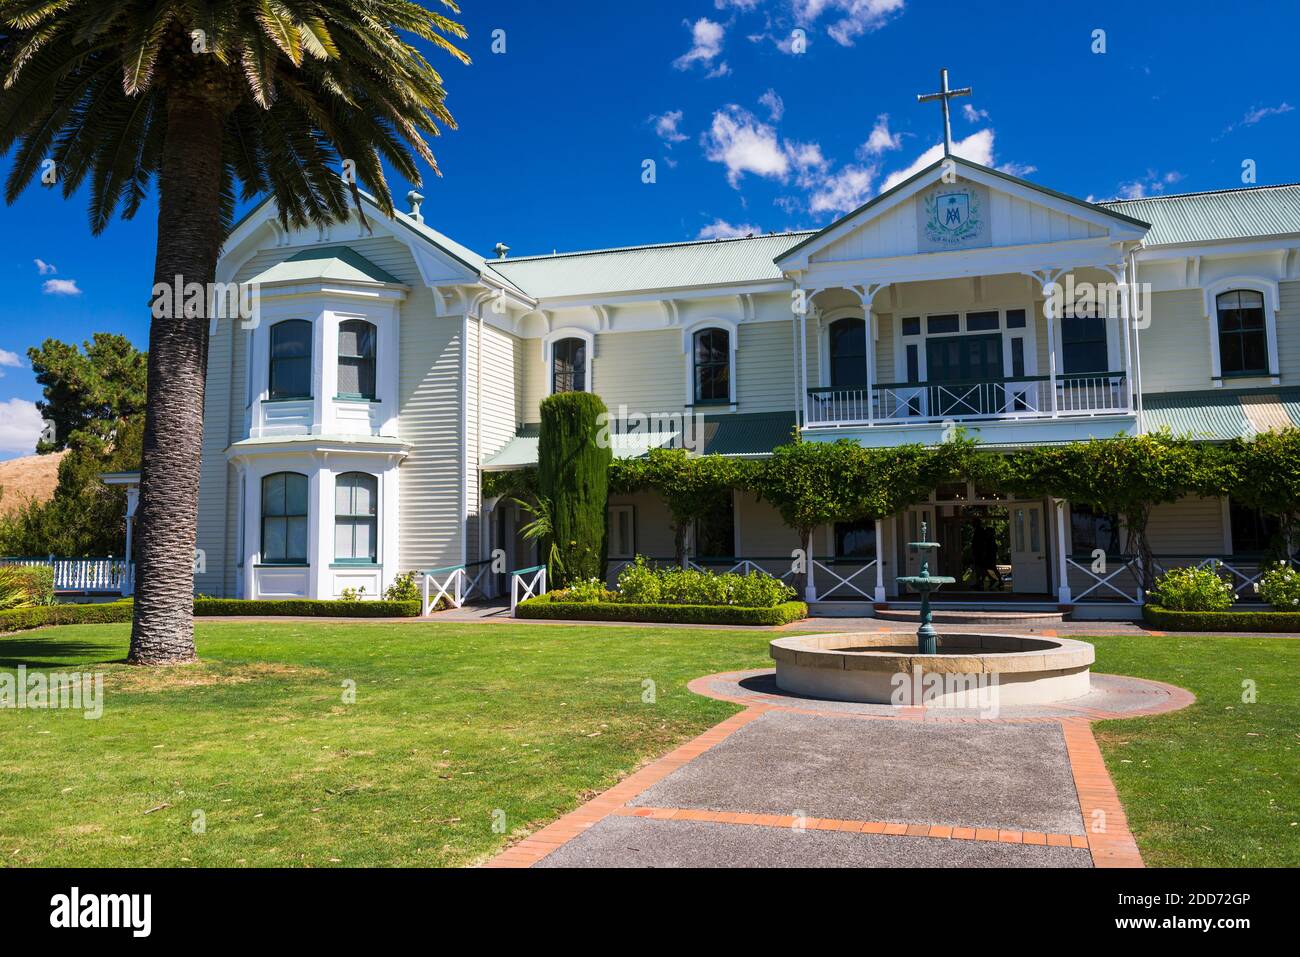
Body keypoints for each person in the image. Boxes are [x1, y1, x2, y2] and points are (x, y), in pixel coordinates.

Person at [970, 516, 1002, 591]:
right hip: (981, 553)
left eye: (973, 522)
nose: (972, 524)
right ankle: (981, 582)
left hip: (981, 553)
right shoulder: (979, 531)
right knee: (982, 568)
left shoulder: (980, 531)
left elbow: (982, 543)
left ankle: (987, 581)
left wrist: (983, 553)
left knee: (981, 568)